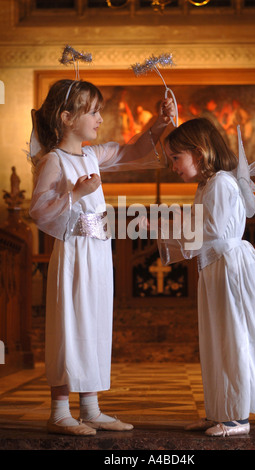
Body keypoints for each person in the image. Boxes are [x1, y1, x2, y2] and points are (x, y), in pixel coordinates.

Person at [29, 78, 174, 436]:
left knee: (94, 324)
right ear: (66, 117)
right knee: (71, 323)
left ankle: (91, 408)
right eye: (92, 111)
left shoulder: (92, 155)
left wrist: (159, 123)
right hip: (75, 253)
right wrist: (75, 194)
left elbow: (130, 151)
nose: (98, 117)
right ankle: (60, 411)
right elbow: (38, 211)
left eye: (98, 110)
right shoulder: (54, 160)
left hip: (97, 252)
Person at [156, 117, 255, 437]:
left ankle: (237, 416)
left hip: (229, 269)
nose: (173, 166)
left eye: (175, 158)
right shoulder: (207, 184)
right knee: (214, 340)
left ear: (199, 152)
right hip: (213, 269)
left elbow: (209, 231)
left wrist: (165, 225)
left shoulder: (222, 182)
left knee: (233, 338)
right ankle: (218, 412)